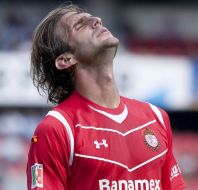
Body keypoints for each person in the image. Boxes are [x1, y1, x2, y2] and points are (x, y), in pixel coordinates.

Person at [26, 2, 185, 190]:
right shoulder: (56, 129)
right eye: (80, 25)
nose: (97, 20)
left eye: (93, 18)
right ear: (65, 59)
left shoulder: (156, 117)